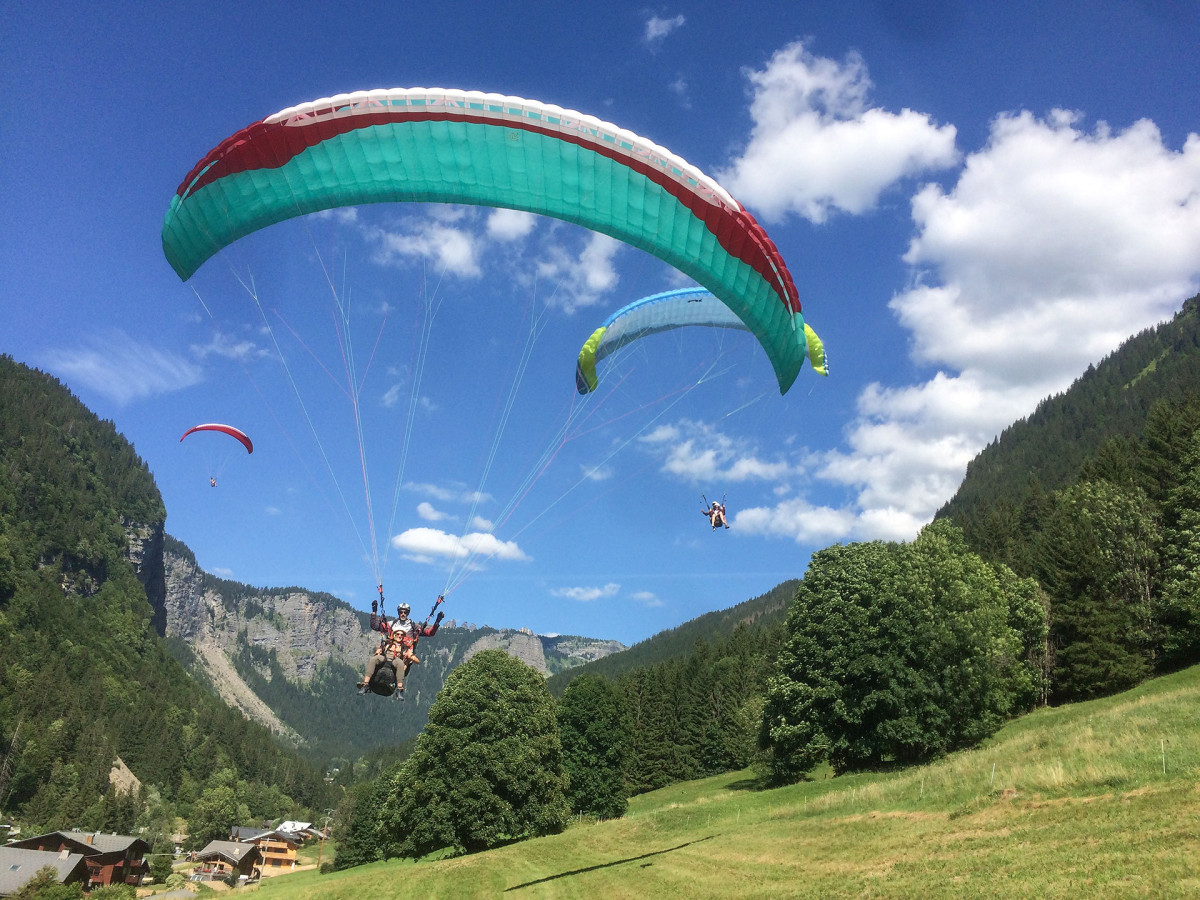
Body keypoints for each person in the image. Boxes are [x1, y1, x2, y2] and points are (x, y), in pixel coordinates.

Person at [358, 590, 444, 699]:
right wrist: (374, 611)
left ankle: (399, 689)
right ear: (398, 612)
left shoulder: (414, 627)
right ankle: (366, 684)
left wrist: (437, 621)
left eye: (405, 612)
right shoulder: (392, 624)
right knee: (374, 659)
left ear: (408, 613)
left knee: (400, 664)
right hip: (388, 653)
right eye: (401, 612)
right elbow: (375, 626)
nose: (403, 614)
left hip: (403, 656)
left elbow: (429, 633)